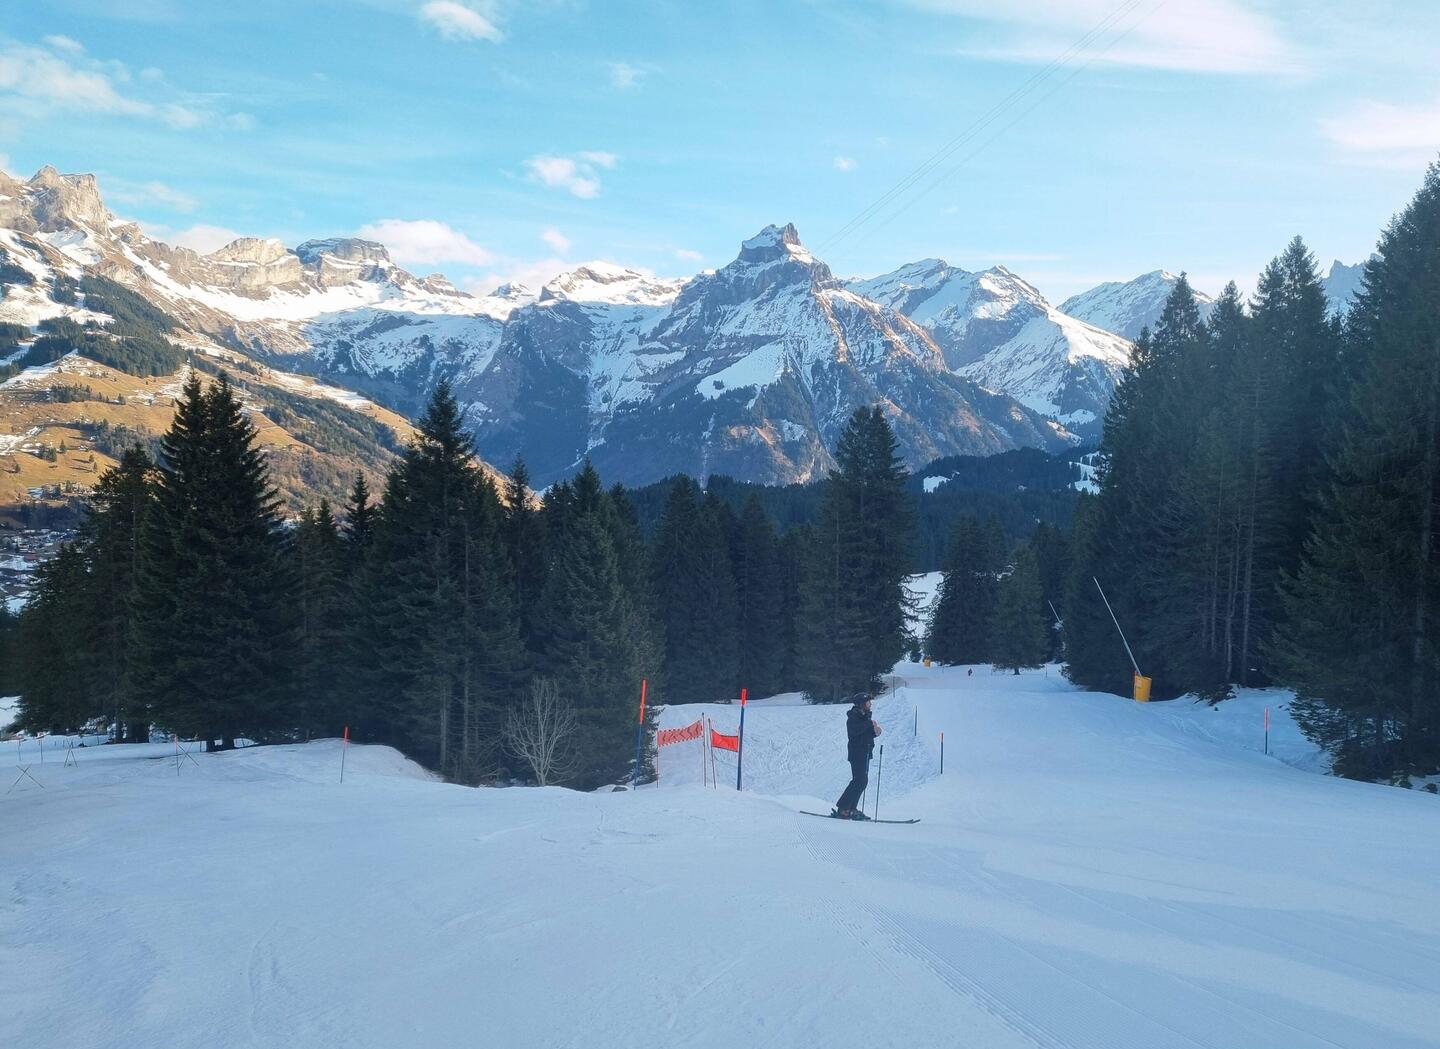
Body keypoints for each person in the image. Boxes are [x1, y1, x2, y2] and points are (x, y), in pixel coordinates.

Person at [832, 695, 881, 820]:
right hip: (857, 753)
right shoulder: (853, 717)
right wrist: (869, 724)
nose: (870, 705)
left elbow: (866, 734)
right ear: (861, 704)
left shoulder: (865, 717)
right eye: (868, 702)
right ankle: (843, 808)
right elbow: (854, 732)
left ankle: (850, 809)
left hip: (865, 752)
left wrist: (875, 732)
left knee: (862, 781)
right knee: (859, 780)